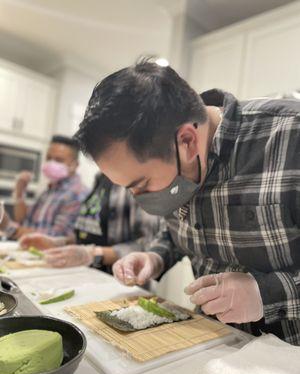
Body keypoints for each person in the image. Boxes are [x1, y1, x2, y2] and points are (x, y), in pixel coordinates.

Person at [73, 60, 300, 345]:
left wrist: (267, 293)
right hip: (215, 343)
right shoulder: (176, 162)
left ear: (188, 141)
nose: (140, 200)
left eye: (141, 185)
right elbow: (177, 229)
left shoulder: (290, 135)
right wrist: (155, 256)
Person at [20, 173, 161, 274]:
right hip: (86, 275)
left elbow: (149, 243)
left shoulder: (136, 181)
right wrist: (59, 243)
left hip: (118, 282)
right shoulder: (100, 179)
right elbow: (90, 231)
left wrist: (93, 254)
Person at [8, 135, 87, 239]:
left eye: (59, 160)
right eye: (49, 158)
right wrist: (20, 192)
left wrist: (8, 228)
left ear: (75, 165)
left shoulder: (77, 194)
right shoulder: (49, 190)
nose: (51, 163)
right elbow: (23, 221)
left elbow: (56, 237)